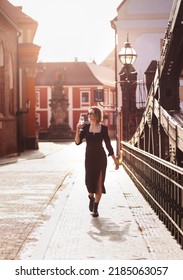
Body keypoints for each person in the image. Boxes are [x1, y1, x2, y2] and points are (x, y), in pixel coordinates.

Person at [75, 106, 119, 217]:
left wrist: (115, 160)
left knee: (99, 183)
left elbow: (108, 145)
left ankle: (95, 208)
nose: (89, 115)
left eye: (91, 113)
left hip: (101, 158)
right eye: (89, 113)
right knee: (89, 183)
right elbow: (77, 142)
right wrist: (77, 130)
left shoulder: (103, 129)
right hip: (89, 158)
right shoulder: (85, 128)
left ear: (97, 115)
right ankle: (91, 196)